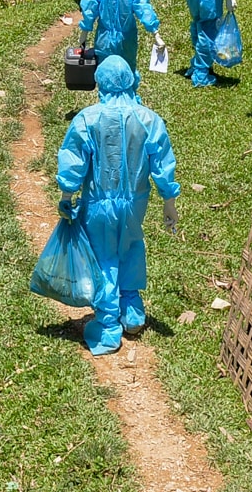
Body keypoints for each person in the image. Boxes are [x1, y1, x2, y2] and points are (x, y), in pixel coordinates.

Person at [56, 55, 180, 354]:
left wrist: (66, 196)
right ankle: (133, 313)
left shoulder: (87, 118)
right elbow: (162, 163)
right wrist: (169, 202)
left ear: (100, 82)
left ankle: (108, 324)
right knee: (131, 248)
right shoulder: (149, 119)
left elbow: (74, 161)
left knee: (103, 258)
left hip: (97, 203)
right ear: (131, 81)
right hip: (135, 203)